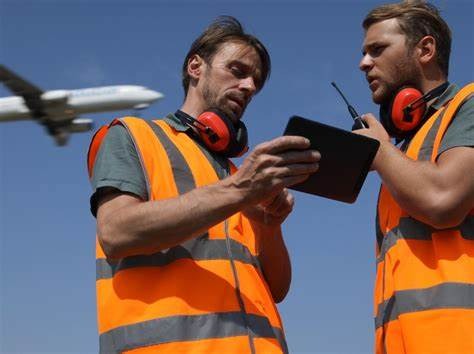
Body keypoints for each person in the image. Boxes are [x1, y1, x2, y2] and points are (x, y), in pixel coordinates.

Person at [87, 16, 320, 354]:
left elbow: (277, 289)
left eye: (255, 81)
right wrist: (239, 190)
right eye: (238, 71)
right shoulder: (134, 137)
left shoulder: (238, 173)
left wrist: (269, 226)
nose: (250, 87)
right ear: (196, 66)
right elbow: (116, 232)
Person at [354, 1, 474, 353]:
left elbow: (443, 201)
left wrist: (378, 151)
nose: (363, 63)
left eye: (377, 50)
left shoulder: (467, 106)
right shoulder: (405, 149)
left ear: (425, 49)